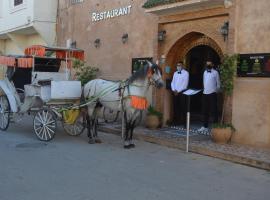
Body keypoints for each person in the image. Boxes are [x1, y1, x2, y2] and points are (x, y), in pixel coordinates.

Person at [198, 61, 220, 132]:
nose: (208, 65)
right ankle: (205, 126)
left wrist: (216, 91)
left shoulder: (215, 72)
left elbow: (218, 83)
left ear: (212, 64)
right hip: (205, 93)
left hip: (212, 93)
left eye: (210, 64)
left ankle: (215, 127)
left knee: (214, 110)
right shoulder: (204, 72)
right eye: (207, 64)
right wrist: (204, 89)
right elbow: (204, 82)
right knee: (205, 110)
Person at [171, 62, 189, 126]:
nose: (178, 66)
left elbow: (185, 84)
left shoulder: (186, 73)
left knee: (183, 107)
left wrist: (178, 91)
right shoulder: (175, 73)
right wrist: (174, 90)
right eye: (177, 65)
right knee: (175, 107)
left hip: (182, 92)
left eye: (179, 65)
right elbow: (172, 82)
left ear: (183, 66)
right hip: (175, 92)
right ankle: (176, 121)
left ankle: (185, 122)